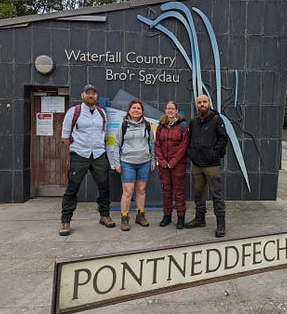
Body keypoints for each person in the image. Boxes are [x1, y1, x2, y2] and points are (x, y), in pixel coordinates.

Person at [59, 84, 115, 236]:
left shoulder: (101, 113)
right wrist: (75, 149)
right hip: (80, 154)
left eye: (94, 93)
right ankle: (66, 221)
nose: (91, 96)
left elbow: (103, 133)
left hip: (98, 154)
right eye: (88, 93)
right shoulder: (74, 112)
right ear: (82, 95)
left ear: (96, 96)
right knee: (72, 188)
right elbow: (65, 136)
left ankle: (104, 215)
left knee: (104, 187)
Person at [185, 94, 229, 237]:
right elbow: (190, 139)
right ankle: (200, 219)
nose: (202, 104)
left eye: (204, 102)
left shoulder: (217, 120)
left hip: (211, 165)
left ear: (209, 103)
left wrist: (214, 153)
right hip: (197, 164)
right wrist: (191, 153)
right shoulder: (193, 121)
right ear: (196, 105)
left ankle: (221, 224)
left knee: (217, 194)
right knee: (198, 193)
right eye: (199, 102)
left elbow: (223, 138)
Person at [113, 99, 156, 231]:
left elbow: (152, 144)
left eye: (138, 108)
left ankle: (140, 215)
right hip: (127, 163)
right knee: (128, 191)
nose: (136, 110)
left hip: (144, 162)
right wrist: (117, 163)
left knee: (141, 190)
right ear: (129, 110)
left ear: (142, 111)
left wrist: (153, 160)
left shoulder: (148, 125)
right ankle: (124, 218)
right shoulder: (123, 125)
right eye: (134, 108)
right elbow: (117, 144)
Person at [154, 101, 189, 229]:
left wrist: (173, 161)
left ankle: (181, 217)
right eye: (168, 108)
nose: (170, 111)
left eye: (172, 108)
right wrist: (162, 161)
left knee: (179, 191)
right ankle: (167, 216)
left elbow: (183, 146)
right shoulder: (161, 126)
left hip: (178, 164)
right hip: (164, 165)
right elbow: (157, 145)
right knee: (166, 191)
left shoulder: (183, 126)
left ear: (176, 110)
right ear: (165, 110)